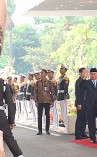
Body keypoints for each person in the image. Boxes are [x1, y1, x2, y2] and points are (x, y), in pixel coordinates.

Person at [0, 4, 23, 156]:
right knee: (8, 137)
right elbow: (10, 103)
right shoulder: (2, 83)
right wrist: (11, 120)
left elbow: (10, 102)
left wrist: (11, 119)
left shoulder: (3, 84)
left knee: (8, 138)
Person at [78, 68, 97, 143]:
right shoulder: (86, 82)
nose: (93, 75)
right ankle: (92, 138)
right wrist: (84, 78)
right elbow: (80, 85)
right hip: (90, 106)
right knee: (91, 123)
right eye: (91, 74)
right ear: (90, 74)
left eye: (94, 74)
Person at [34, 69, 55, 135]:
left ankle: (47, 129)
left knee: (47, 116)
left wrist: (52, 100)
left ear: (45, 74)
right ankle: (40, 130)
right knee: (39, 116)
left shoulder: (49, 82)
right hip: (40, 101)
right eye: (40, 73)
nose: (41, 74)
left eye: (42, 73)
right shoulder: (37, 82)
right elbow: (35, 92)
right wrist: (36, 101)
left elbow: (52, 92)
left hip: (47, 101)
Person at [74, 68, 89, 140]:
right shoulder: (78, 81)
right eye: (84, 72)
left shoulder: (85, 81)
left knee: (84, 118)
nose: (86, 73)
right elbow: (78, 93)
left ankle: (83, 133)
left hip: (85, 102)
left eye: (86, 72)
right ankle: (78, 134)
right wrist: (79, 103)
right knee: (80, 118)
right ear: (80, 73)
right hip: (80, 102)